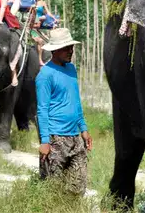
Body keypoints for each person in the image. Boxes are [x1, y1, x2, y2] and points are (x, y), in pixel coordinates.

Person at [36, 28, 92, 197]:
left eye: (71, 47)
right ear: (54, 50)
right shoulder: (45, 75)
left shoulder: (71, 69)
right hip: (55, 138)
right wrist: (45, 141)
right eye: (66, 48)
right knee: (53, 188)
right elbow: (42, 110)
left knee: (78, 187)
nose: (71, 51)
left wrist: (84, 129)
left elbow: (75, 102)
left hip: (75, 137)